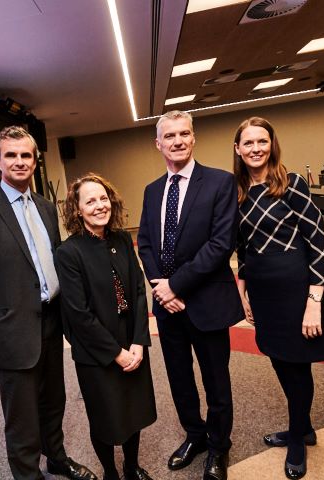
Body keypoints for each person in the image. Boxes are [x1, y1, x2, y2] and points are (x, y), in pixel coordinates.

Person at [0, 126, 97, 480]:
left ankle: (57, 459)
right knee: (22, 419)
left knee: (53, 403)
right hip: (12, 332)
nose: (19, 162)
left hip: (50, 321)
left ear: (35, 160)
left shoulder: (47, 208)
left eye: (26, 155)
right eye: (11, 155)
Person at [137, 110, 243, 480]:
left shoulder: (220, 183)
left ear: (193, 138)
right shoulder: (152, 191)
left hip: (206, 303)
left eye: (184, 134)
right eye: (170, 136)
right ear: (158, 143)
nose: (177, 141)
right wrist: (160, 289)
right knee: (179, 379)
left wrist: (174, 285)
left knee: (216, 381)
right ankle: (195, 436)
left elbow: (220, 245)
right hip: (168, 309)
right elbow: (146, 244)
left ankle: (218, 447)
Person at [233, 117, 324, 479]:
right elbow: (243, 249)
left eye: (262, 141)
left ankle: (297, 438)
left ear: (271, 144)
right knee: (279, 359)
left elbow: (318, 243)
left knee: (298, 365)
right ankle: (302, 426)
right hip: (262, 292)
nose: (256, 148)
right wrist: (242, 291)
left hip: (296, 289)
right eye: (248, 143)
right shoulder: (238, 192)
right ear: (238, 149)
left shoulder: (290, 184)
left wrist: (314, 301)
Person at [56, 174, 157, 480]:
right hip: (96, 351)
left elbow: (139, 291)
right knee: (104, 417)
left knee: (133, 410)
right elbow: (78, 314)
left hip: (131, 336)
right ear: (77, 210)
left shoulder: (123, 239)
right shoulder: (68, 252)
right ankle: (111, 472)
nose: (100, 206)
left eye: (103, 199)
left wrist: (139, 341)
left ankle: (130, 466)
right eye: (90, 201)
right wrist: (116, 353)